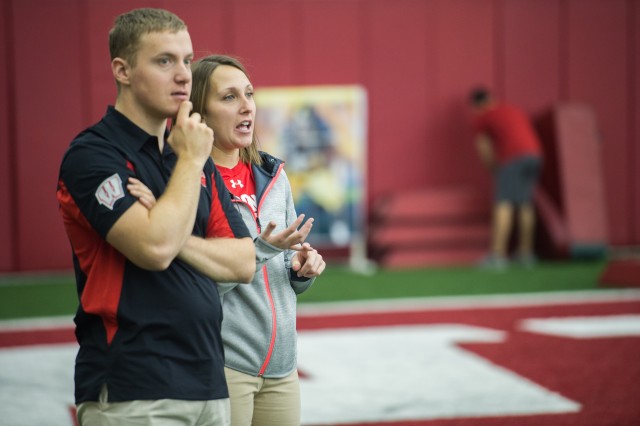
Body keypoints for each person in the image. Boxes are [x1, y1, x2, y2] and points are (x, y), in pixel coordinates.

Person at [56, 8, 255, 426]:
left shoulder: (188, 150)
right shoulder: (93, 155)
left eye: (186, 60)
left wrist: (171, 225)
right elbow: (154, 248)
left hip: (208, 384)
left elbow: (241, 262)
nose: (184, 74)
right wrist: (189, 164)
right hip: (135, 390)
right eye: (164, 61)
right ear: (123, 70)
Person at [192, 54, 326, 425]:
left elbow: (283, 270)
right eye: (229, 96)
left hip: (283, 368)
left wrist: (300, 270)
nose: (246, 105)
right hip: (225, 364)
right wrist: (263, 251)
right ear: (200, 111)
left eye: (248, 93)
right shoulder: (190, 181)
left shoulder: (273, 174)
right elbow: (194, 287)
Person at [468, 86, 543, 269]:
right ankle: (526, 253)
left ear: (477, 105)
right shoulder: (512, 109)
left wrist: (493, 169)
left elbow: (483, 148)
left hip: (513, 158)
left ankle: (498, 255)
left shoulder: (483, 116)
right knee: (524, 203)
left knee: (503, 203)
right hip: (535, 155)